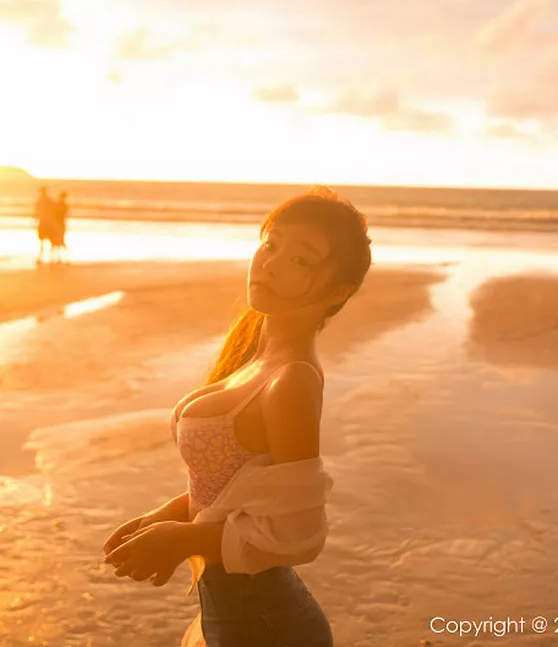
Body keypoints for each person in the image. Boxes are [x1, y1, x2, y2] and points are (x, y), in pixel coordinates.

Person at [103, 186, 372, 646]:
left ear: (339, 289)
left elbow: (298, 533)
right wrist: (168, 516)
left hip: (265, 625)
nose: (269, 263)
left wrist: (182, 540)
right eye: (271, 244)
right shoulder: (255, 358)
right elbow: (234, 485)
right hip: (235, 615)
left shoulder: (292, 382)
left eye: (301, 260)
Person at [34, 186, 53, 264]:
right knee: (43, 241)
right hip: (44, 222)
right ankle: (45, 257)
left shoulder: (44, 201)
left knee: (45, 241)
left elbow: (36, 212)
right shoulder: (46, 200)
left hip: (45, 223)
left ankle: (46, 257)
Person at [50, 191, 69, 263]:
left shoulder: (59, 205)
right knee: (59, 241)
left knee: (58, 241)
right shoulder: (62, 205)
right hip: (60, 224)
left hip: (58, 224)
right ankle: (60, 257)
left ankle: (58, 257)